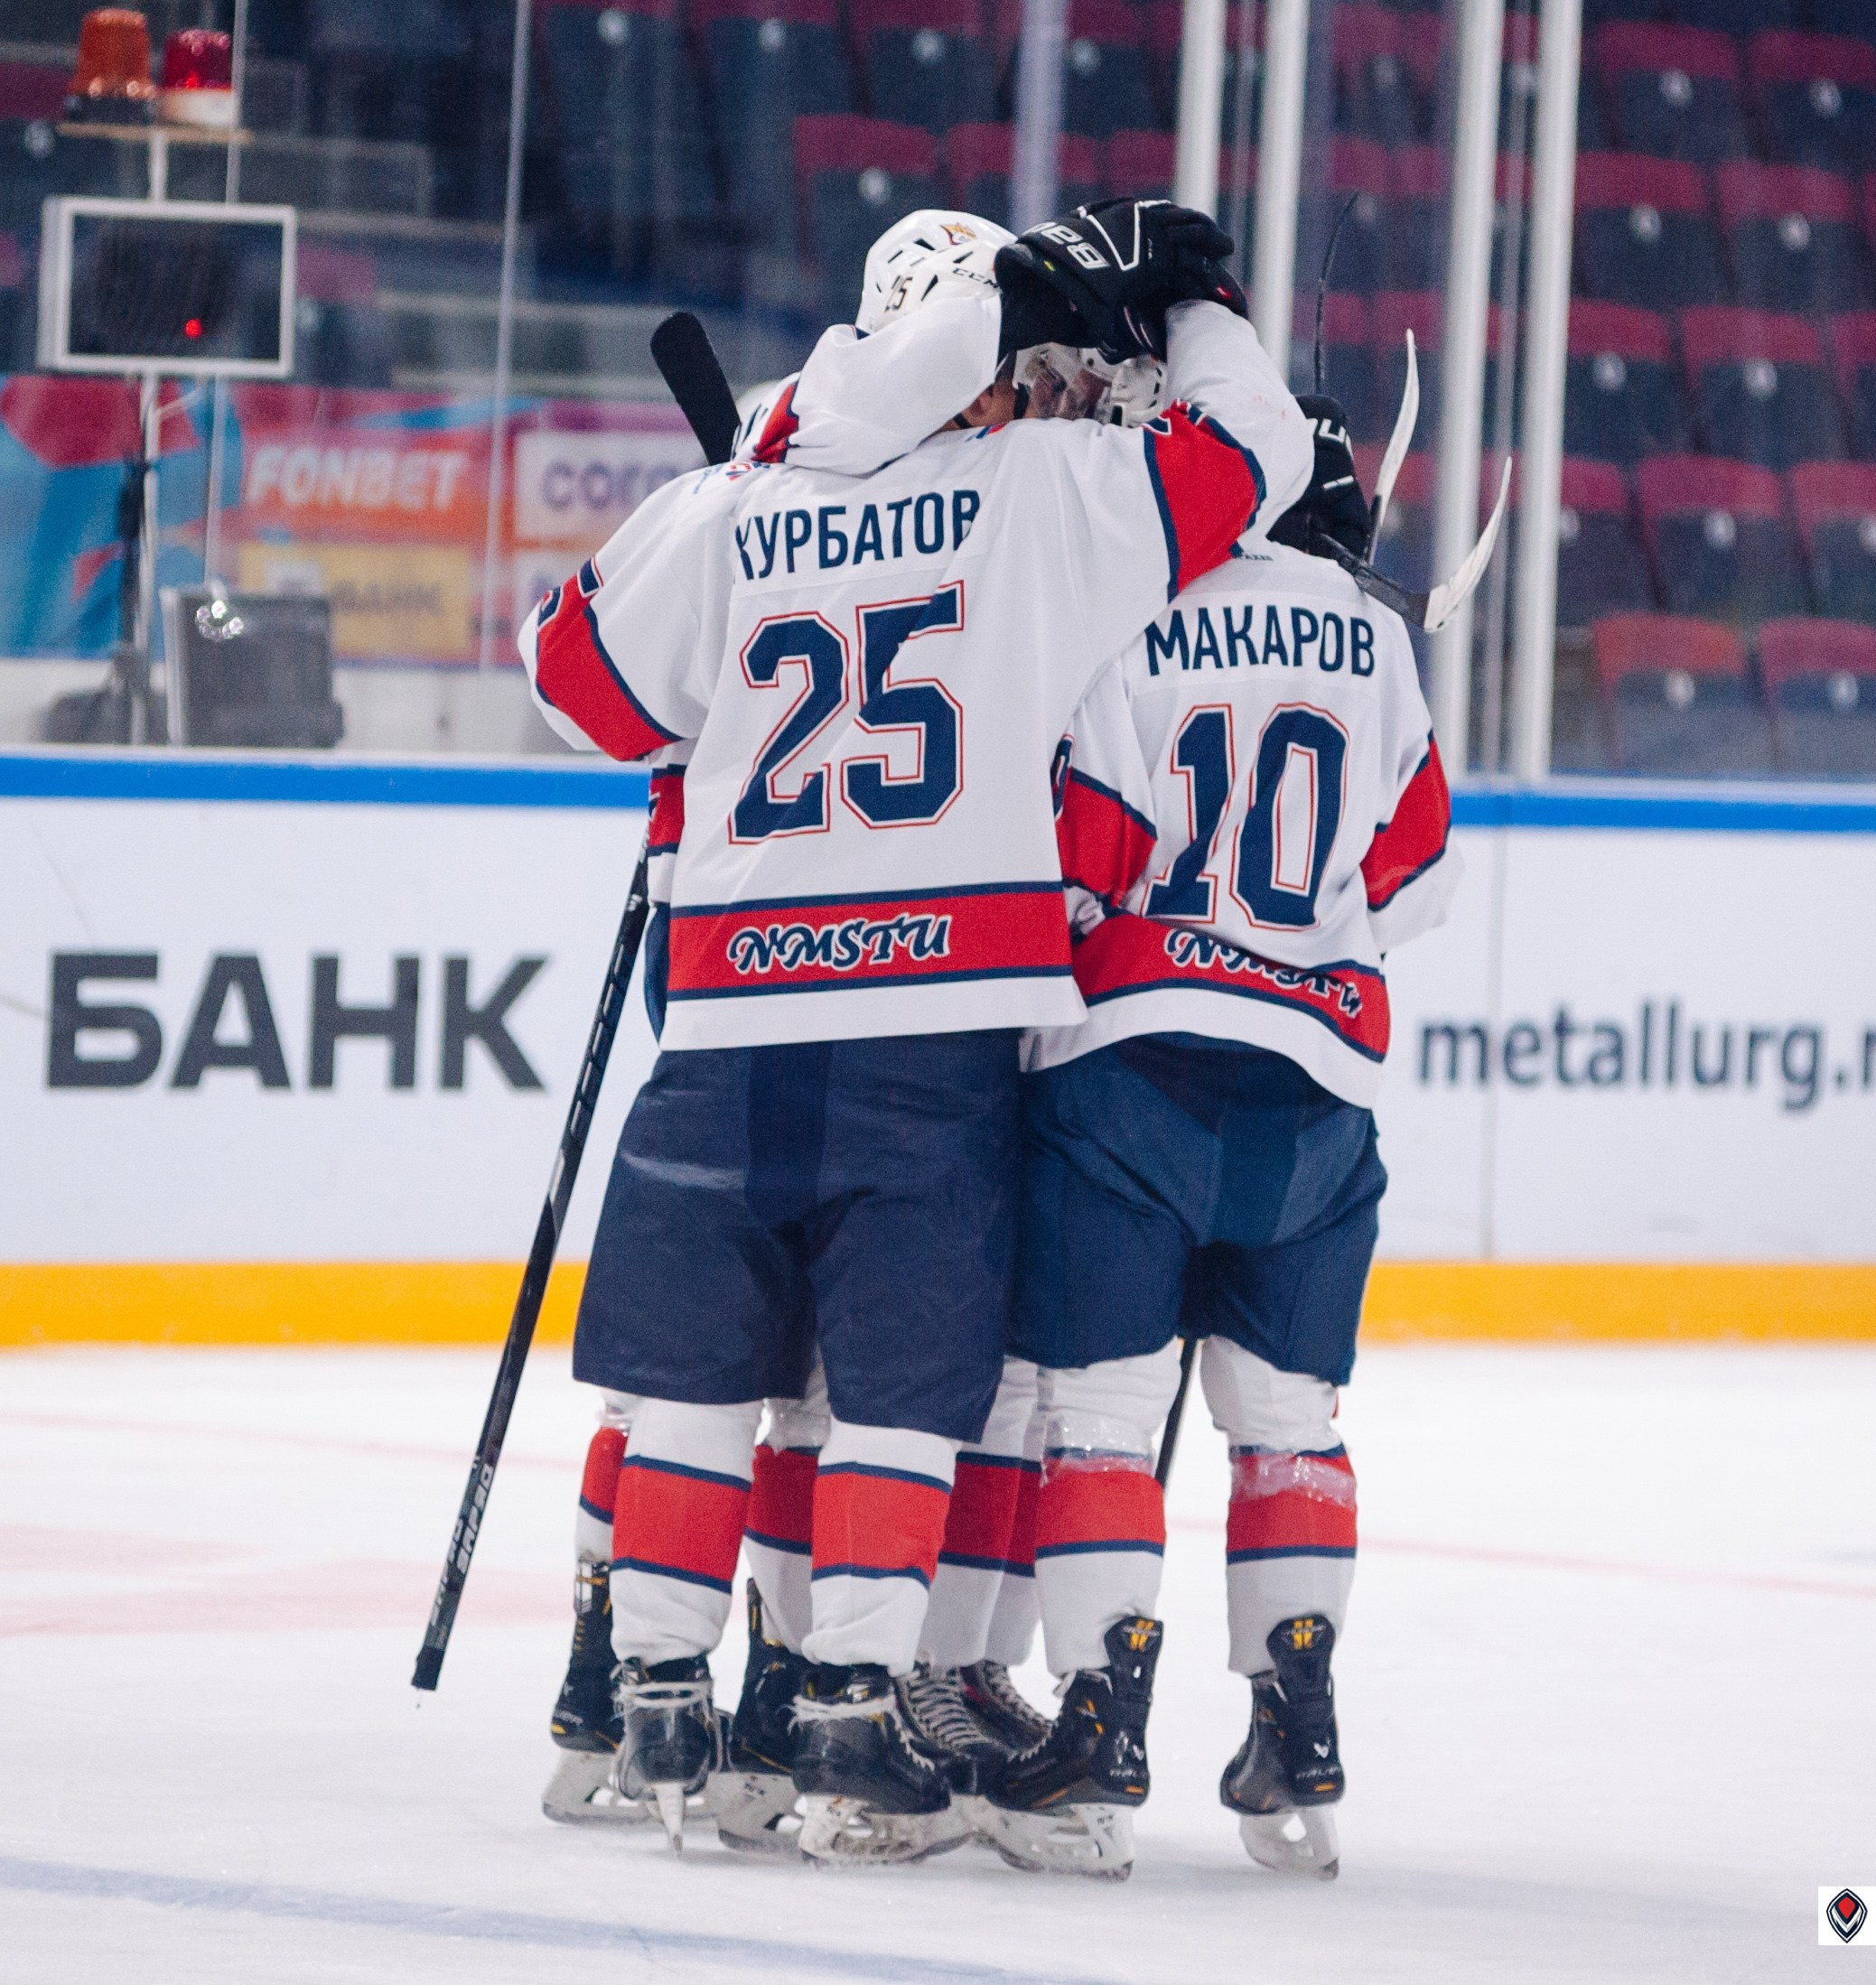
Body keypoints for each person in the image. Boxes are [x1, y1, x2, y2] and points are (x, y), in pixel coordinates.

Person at [521, 196, 1311, 1864]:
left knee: (701, 1376)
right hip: (934, 1019)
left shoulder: (733, 502)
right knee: (897, 1390)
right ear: (994, 360)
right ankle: (853, 1691)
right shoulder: (1042, 495)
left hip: (732, 1000)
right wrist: (1196, 313)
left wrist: (710, 634)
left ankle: (641, 1680)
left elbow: (577, 684)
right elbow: (1256, 457)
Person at [979, 397, 1460, 1880]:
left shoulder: (1142, 605)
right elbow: (1413, 876)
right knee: (1290, 1424)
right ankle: (1294, 1725)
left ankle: (1098, 1727)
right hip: (1313, 1093)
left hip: (1133, 1075)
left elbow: (1092, 850)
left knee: (1102, 1418)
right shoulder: (1377, 640)